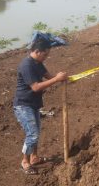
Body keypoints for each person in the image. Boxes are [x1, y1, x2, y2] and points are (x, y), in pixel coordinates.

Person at [13, 39, 67, 174]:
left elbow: (49, 77)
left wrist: (63, 78)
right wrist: (56, 79)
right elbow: (36, 87)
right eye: (45, 55)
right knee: (33, 134)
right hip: (23, 105)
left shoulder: (38, 63)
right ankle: (24, 162)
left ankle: (34, 158)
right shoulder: (27, 65)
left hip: (33, 104)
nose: (46, 57)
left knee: (36, 131)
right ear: (36, 51)